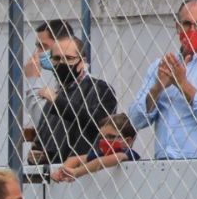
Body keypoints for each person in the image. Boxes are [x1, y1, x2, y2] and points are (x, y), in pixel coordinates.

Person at [127, 0, 197, 159]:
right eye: (187, 24)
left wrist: (182, 84)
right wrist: (157, 88)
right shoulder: (161, 66)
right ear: (177, 27)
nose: (192, 30)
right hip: (164, 165)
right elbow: (135, 120)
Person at [29, 33, 117, 165]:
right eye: (56, 58)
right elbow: (43, 142)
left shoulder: (100, 89)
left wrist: (57, 101)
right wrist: (36, 156)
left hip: (87, 171)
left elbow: (98, 122)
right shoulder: (53, 100)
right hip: (57, 174)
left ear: (82, 61)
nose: (61, 63)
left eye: (68, 58)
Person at [52, 113, 141, 182]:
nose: (105, 140)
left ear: (128, 141)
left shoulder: (128, 153)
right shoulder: (103, 154)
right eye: (101, 137)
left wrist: (77, 172)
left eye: (111, 137)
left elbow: (107, 160)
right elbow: (75, 159)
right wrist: (60, 172)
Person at [22, 19, 75, 130]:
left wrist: (32, 80)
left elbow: (44, 121)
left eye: (43, 46)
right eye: (38, 47)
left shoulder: (79, 85)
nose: (37, 53)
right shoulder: (60, 83)